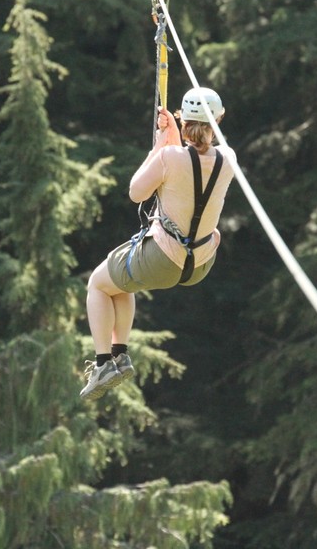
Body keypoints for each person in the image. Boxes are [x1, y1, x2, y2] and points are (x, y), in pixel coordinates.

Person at [80, 87, 237, 400]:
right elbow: (191, 168)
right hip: (200, 264)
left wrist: (160, 145)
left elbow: (137, 192)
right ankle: (120, 355)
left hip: (163, 259)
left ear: (183, 118)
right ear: (218, 120)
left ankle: (103, 363)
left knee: (98, 285)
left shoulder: (168, 157)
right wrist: (172, 141)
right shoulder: (228, 160)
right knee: (121, 286)